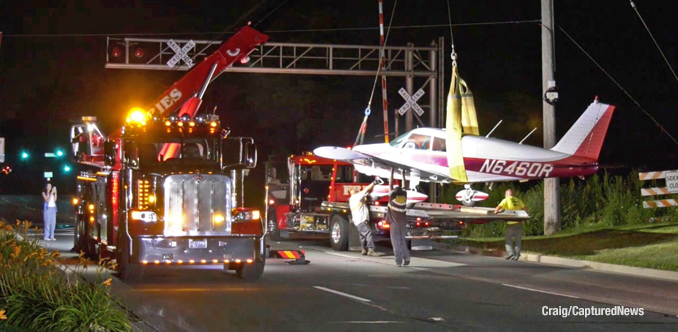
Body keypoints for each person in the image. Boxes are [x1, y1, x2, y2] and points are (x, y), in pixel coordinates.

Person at [349, 180, 381, 256]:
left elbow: (365, 198)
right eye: (355, 189)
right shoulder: (357, 197)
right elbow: (366, 189)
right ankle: (371, 249)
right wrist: (374, 183)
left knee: (362, 235)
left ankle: (364, 249)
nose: (356, 190)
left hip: (357, 220)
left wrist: (365, 196)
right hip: (361, 219)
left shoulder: (352, 199)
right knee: (368, 233)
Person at [494, 189, 527, 261]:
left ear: (506, 194)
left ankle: (510, 253)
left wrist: (497, 213)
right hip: (519, 223)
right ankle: (517, 255)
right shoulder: (518, 200)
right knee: (518, 240)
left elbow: (496, 210)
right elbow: (525, 210)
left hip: (511, 223)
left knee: (508, 238)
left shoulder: (505, 200)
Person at [387, 169, 410, 267]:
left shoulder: (392, 198)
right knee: (402, 241)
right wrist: (403, 174)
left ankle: (398, 261)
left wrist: (391, 172)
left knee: (396, 242)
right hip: (403, 223)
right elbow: (405, 186)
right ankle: (407, 258)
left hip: (394, 223)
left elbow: (390, 185)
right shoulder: (404, 197)